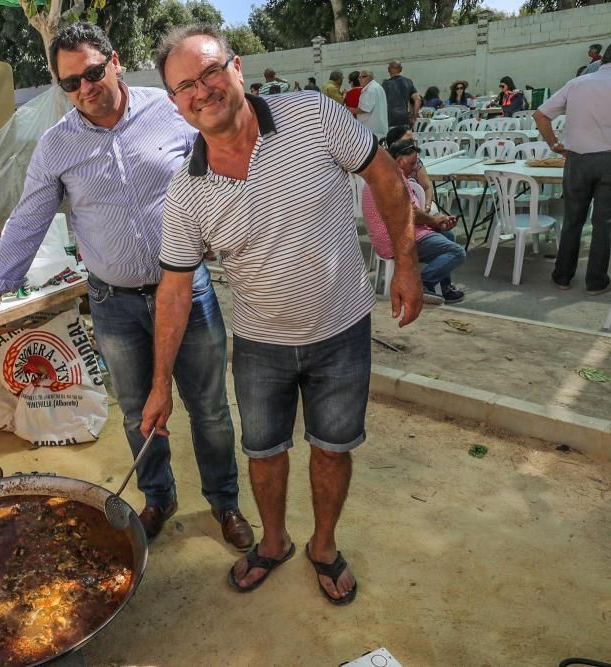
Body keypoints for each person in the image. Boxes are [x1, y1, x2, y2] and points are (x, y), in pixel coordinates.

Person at [145, 24, 423, 603]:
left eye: (211, 71)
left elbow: (382, 174)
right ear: (175, 103)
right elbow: (173, 291)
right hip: (259, 346)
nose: (203, 91)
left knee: (332, 447)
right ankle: (274, 543)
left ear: (238, 68)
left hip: (341, 330)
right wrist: (158, 385)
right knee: (263, 453)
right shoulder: (185, 191)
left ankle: (323, 546)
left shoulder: (313, 117)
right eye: (186, 86)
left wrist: (405, 262)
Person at [0, 22, 255, 549]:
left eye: (92, 72)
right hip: (114, 304)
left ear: (114, 61)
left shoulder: (171, 111)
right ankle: (158, 497)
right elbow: (26, 222)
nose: (85, 88)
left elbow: (224, 164)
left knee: (208, 406)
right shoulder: (56, 146)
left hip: (188, 292)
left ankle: (225, 502)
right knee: (139, 412)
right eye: (70, 83)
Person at [536, 45, 611, 296]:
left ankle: (562, 276)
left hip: (577, 160)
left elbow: (540, 115)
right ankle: (596, 281)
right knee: (603, 223)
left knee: (573, 220)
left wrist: (554, 144)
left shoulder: (577, 83)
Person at [364, 138, 466, 304]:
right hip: (396, 239)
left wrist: (435, 222)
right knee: (457, 252)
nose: (414, 169)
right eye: (412, 163)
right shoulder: (390, 178)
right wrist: (433, 220)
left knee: (448, 235)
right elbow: (410, 214)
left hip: (399, 233)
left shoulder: (386, 174)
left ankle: (443, 287)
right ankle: (421, 284)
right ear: (399, 160)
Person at [383, 125, 434, 208]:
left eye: (412, 141)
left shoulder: (415, 163)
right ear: (395, 144)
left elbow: (427, 187)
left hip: (420, 204)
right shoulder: (385, 169)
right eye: (408, 141)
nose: (411, 145)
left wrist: (427, 206)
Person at [382, 60, 421, 127]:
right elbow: (418, 99)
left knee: (393, 137)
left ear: (388, 70)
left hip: (389, 118)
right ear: (401, 69)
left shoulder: (385, 84)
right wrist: (414, 116)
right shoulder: (408, 81)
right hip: (404, 117)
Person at [354, 70, 388, 139]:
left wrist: (348, 109)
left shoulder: (370, 89)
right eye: (359, 77)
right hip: (377, 128)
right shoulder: (376, 86)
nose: (360, 79)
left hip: (371, 129)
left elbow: (365, 109)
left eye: (363, 77)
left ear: (370, 77)